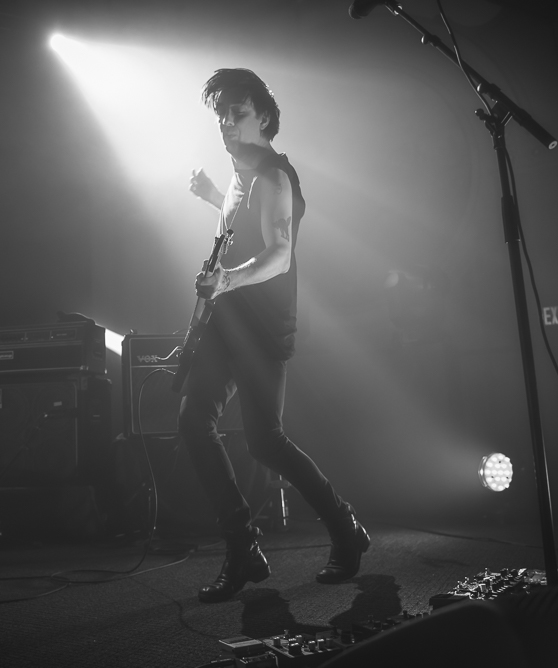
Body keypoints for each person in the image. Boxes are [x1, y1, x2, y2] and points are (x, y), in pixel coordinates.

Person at [180, 69, 369, 603]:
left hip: (261, 326)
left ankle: (345, 527)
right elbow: (239, 229)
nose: (225, 123)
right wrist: (213, 195)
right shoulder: (240, 173)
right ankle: (242, 546)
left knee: (265, 440)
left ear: (262, 116)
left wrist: (227, 281)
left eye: (235, 113)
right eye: (220, 115)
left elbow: (279, 251)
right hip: (227, 322)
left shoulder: (276, 176)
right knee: (193, 421)